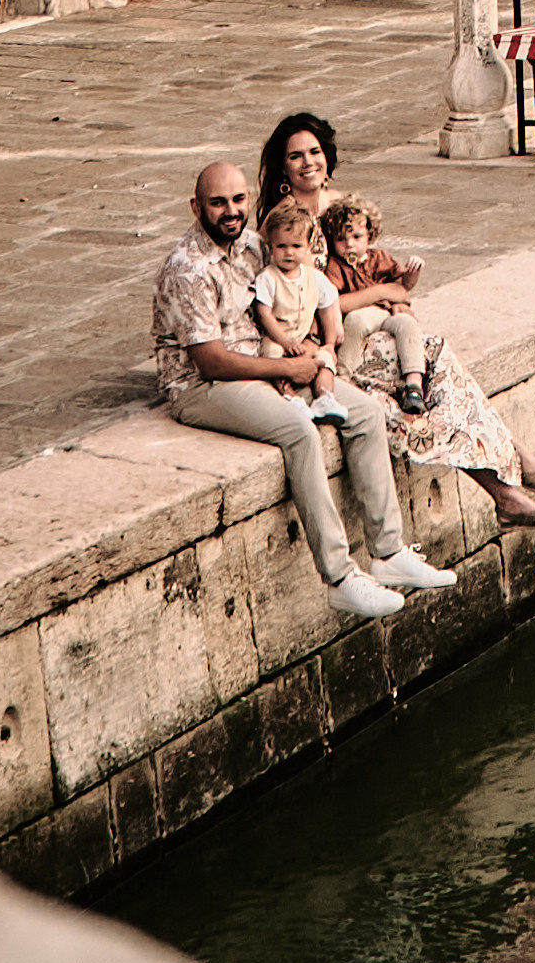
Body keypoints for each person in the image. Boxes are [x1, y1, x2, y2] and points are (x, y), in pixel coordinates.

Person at [151, 160, 456, 620]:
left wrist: (311, 353)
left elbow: (305, 297)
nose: (230, 211)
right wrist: (291, 367)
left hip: (270, 361)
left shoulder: (255, 247)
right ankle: (338, 576)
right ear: (196, 207)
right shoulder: (187, 270)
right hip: (205, 384)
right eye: (217, 203)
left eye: (238, 200)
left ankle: (389, 554)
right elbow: (210, 360)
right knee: (299, 430)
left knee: (366, 414)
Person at [255, 111, 535, 528]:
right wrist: (385, 295)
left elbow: (372, 269)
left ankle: (509, 477)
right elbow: (306, 302)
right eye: (296, 156)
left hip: (370, 327)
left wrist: (397, 303)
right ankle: (510, 480)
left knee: (435, 360)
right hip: (324, 341)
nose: (308, 162)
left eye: (315, 152)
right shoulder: (283, 224)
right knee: (408, 406)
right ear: (283, 166)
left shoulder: (342, 206)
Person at [321, 191, 429, 415]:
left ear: (369, 236)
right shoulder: (336, 266)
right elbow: (335, 301)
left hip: (386, 313)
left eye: (357, 238)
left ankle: (414, 382)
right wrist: (380, 294)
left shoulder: (379, 258)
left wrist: (413, 273)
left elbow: (401, 287)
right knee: (356, 320)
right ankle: (343, 374)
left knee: (407, 324)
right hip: (363, 313)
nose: (349, 245)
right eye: (341, 239)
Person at [251, 196, 350, 422]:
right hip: (277, 337)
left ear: (308, 246)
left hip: (304, 338)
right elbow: (264, 314)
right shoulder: (268, 278)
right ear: (271, 247)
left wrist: (330, 343)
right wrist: (284, 341)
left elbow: (326, 309)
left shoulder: (315, 278)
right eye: (281, 246)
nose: (289, 253)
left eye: (296, 246)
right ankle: (290, 396)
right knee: (273, 357)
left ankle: (325, 397)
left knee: (325, 359)